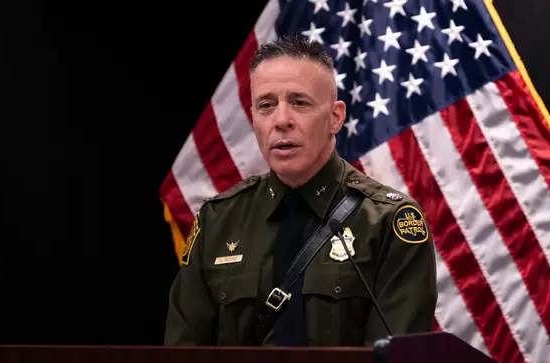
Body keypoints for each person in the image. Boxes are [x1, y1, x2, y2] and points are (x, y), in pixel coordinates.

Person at [163, 34, 437, 347]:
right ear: (253, 118)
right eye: (266, 105)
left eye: (299, 103)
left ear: (335, 118)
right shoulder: (218, 221)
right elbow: (181, 361)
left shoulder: (388, 222)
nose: (281, 120)